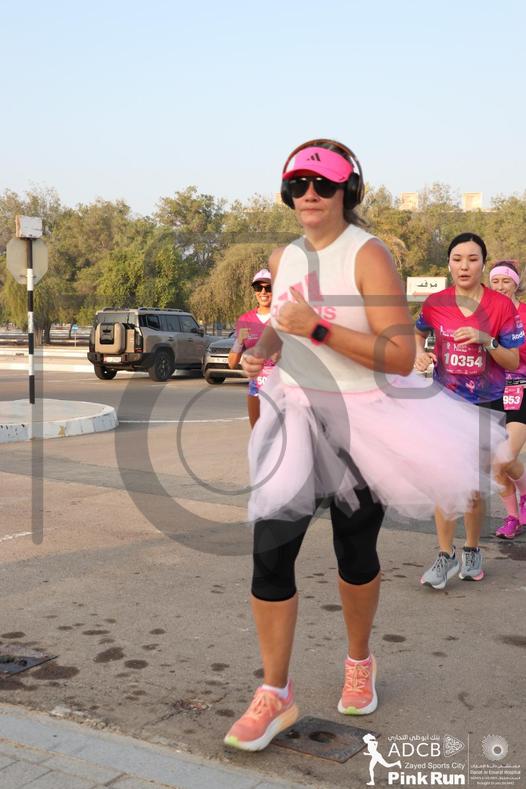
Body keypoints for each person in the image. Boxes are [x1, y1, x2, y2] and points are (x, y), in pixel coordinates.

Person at [223, 140, 509, 753]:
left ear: (347, 191)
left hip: (363, 421)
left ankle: (359, 660)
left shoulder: (368, 254)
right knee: (270, 553)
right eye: (297, 184)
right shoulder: (285, 257)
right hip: (294, 416)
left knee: (354, 553)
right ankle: (274, 692)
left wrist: (318, 327)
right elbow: (281, 331)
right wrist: (257, 352)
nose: (309, 195)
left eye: (322, 184)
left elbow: (400, 355)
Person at [415, 234, 524, 588]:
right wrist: (419, 353)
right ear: (448, 263)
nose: (464, 266)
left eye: (472, 259)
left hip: (486, 404)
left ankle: (472, 549)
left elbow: (512, 360)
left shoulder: (501, 307)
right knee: (444, 480)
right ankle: (444, 554)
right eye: (457, 259)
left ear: (483, 264)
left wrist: (485, 340)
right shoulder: (435, 303)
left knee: (473, 487)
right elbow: (417, 332)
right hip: (445, 403)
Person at [489, 260, 526, 538]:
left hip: (522, 389)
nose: (500, 287)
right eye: (495, 281)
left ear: (516, 284)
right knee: (497, 465)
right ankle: (513, 516)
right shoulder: (484, 316)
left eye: (506, 281)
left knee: (504, 458)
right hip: (492, 392)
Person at [228, 269, 275, 428]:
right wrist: (239, 341)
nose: (263, 292)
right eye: (258, 288)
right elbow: (231, 364)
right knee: (257, 434)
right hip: (256, 387)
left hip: (282, 387)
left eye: (268, 288)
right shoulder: (245, 319)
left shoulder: (283, 316)